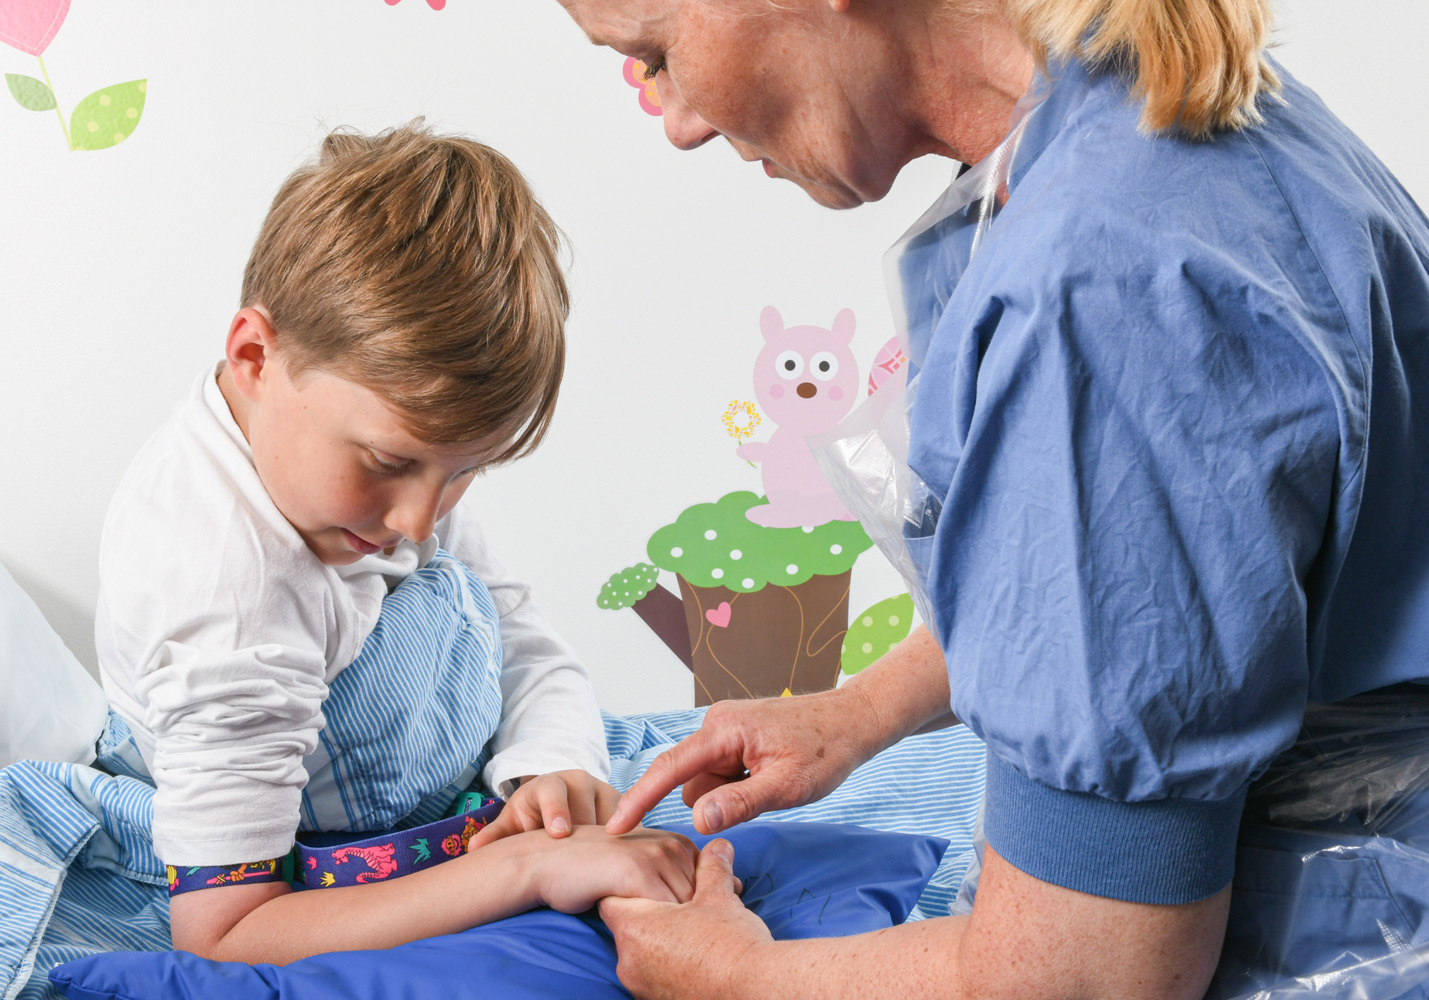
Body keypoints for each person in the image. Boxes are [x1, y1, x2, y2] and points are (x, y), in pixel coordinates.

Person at [548, 0, 1429, 997]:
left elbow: (1087, 977)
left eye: (656, 54)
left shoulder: (1100, 290)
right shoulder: (1190, 124)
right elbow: (1155, 603)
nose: (678, 120)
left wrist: (735, 977)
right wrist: (858, 711)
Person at [75, 122, 698, 965]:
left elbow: (517, 637)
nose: (418, 521)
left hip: (448, 788)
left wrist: (550, 766)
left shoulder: (378, 485)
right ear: (254, 355)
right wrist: (527, 871)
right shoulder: (224, 591)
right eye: (390, 462)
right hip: (302, 873)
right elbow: (224, 933)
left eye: (463, 472)